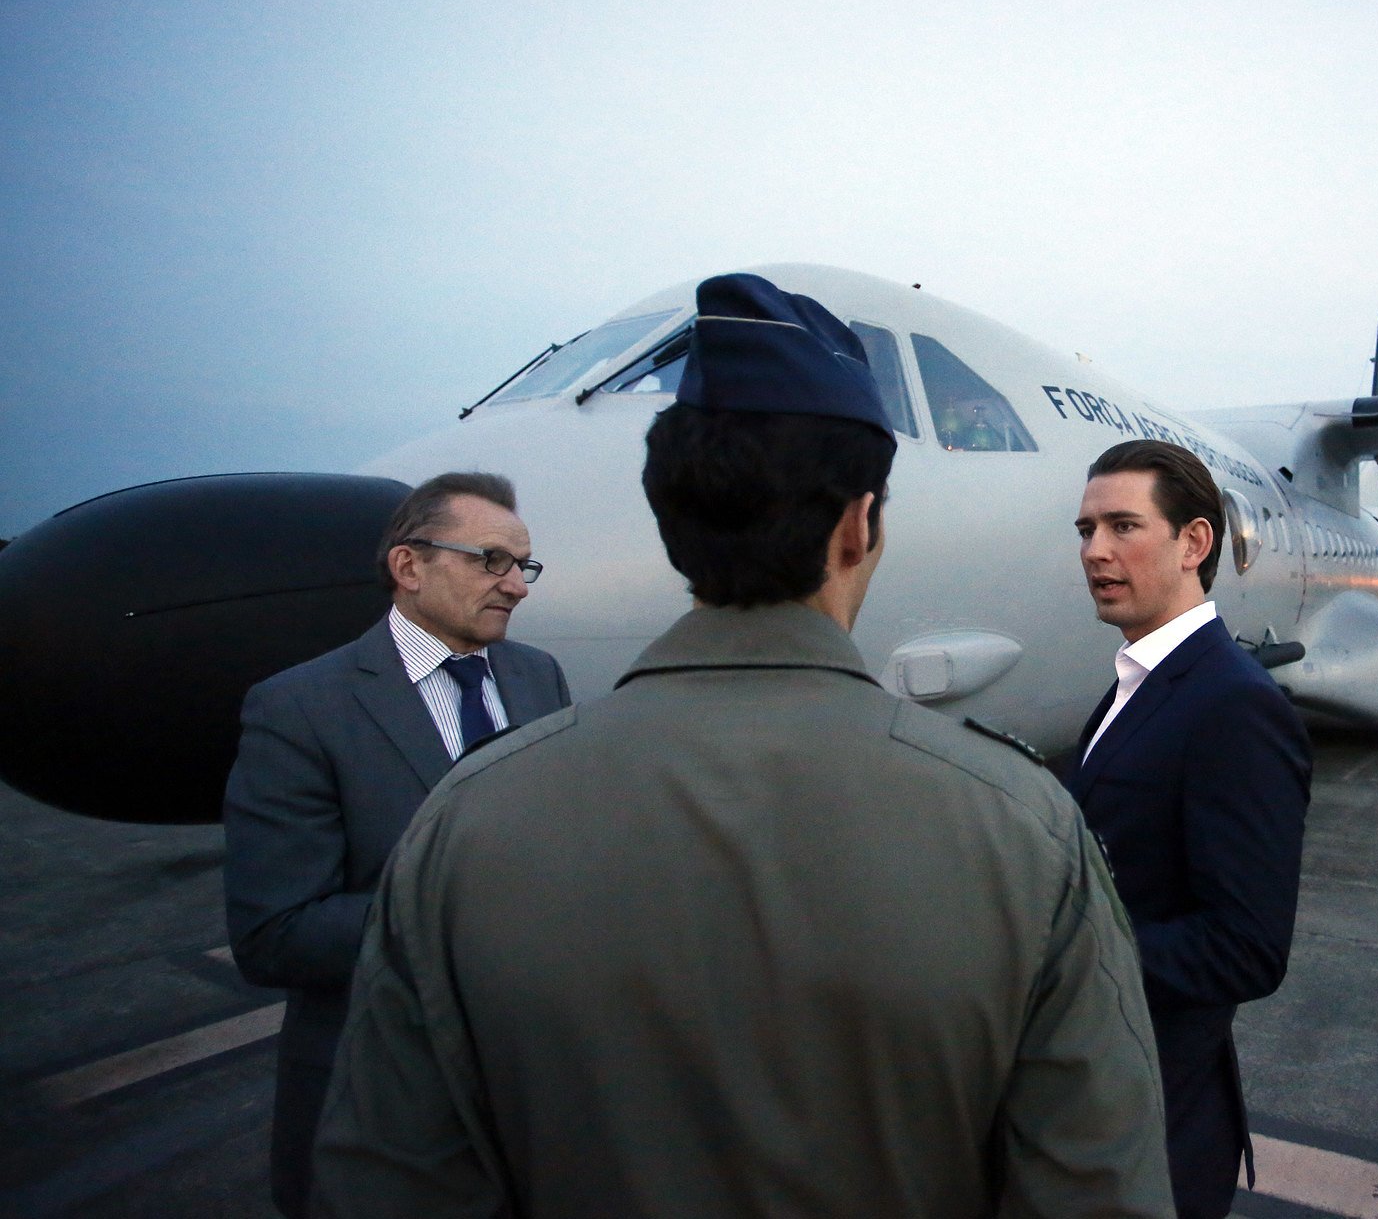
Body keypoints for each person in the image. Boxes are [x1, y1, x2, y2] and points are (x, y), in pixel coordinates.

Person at [309, 274, 1174, 1218]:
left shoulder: (460, 827)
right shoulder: (1023, 828)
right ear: (861, 525)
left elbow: (386, 1183)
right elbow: (1097, 1189)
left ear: (672, 522)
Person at [221, 471, 571, 1219]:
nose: (516, 586)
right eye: (491, 560)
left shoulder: (539, 677)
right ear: (409, 566)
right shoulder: (300, 708)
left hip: (536, 1100)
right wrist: (462, 910)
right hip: (380, 1111)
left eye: (523, 565)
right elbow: (273, 935)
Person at [1067, 440, 1312, 1219]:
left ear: (1194, 543)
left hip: (1160, 1131)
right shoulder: (1139, 685)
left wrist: (1061, 951)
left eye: (1121, 526)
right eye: (1084, 529)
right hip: (1104, 1107)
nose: (1095, 551)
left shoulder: (1232, 705)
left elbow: (1246, 947)